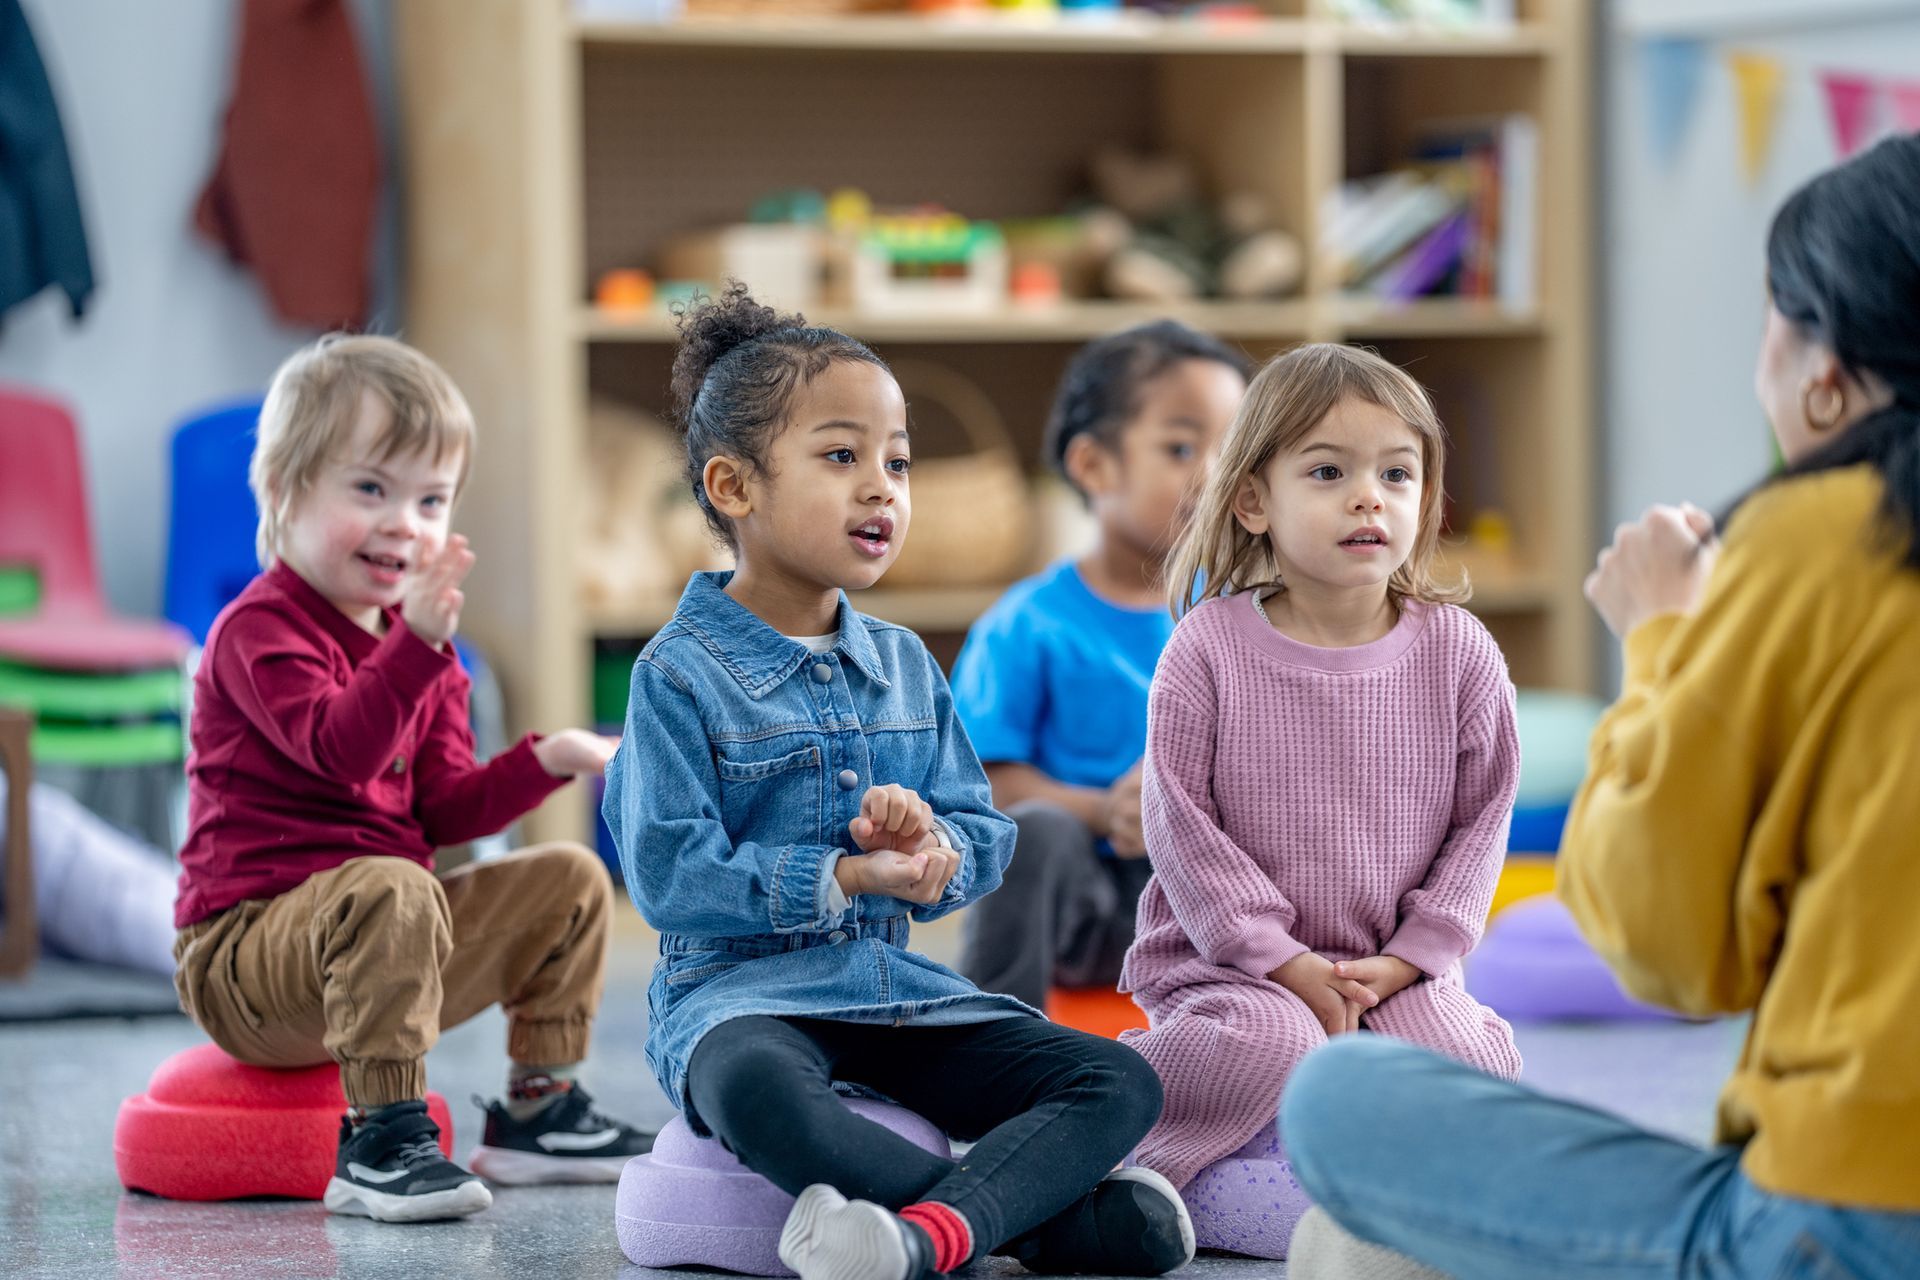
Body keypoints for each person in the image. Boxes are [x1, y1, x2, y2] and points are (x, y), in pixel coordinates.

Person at [1282, 134, 1920, 1279]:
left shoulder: (1812, 537)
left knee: (1339, 1097)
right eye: (1327, 472)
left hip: (1855, 1215)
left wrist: (1663, 641)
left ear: (1825, 369)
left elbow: (1674, 953)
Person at [604, 285, 1195, 1280]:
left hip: (893, 995)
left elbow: (980, 819)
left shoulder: (907, 662)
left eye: (898, 460)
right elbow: (667, 874)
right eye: (843, 456)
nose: (883, 486)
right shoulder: (676, 673)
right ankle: (1039, 1226)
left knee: (1120, 1078)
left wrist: (937, 853)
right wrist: (843, 873)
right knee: (757, 1090)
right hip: (736, 1003)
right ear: (734, 486)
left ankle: (924, 1239)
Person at [171, 335, 650, 1224]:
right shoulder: (258, 631)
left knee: (572, 877)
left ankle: (539, 1110)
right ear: (282, 490)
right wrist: (417, 648)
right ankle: (381, 1140)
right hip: (246, 961)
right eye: (370, 489)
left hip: (381, 945)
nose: (405, 522)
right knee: (393, 887)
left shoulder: (425, 656)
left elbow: (446, 811)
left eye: (430, 499)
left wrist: (548, 759)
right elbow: (338, 750)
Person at [1121, 343, 1522, 1258]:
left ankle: (1362, 1176)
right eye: (1329, 472)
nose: (1368, 496)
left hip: (1392, 968)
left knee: (1471, 1065)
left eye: (1396, 473)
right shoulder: (1207, 649)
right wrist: (1281, 961)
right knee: (1273, 1047)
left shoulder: (1459, 651)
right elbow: (1181, 829)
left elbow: (1484, 819)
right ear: (1255, 502)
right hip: (1231, 967)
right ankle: (1102, 1120)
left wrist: (1415, 957)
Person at [952, 321, 1248, 1011]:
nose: (1213, 473)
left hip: (1219, 915)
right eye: (1181, 446)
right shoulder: (1027, 624)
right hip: (1089, 909)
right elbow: (980, 789)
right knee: (1036, 833)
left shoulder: (1248, 617)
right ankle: (988, 1045)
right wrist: (1103, 809)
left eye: (1233, 449)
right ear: (1093, 466)